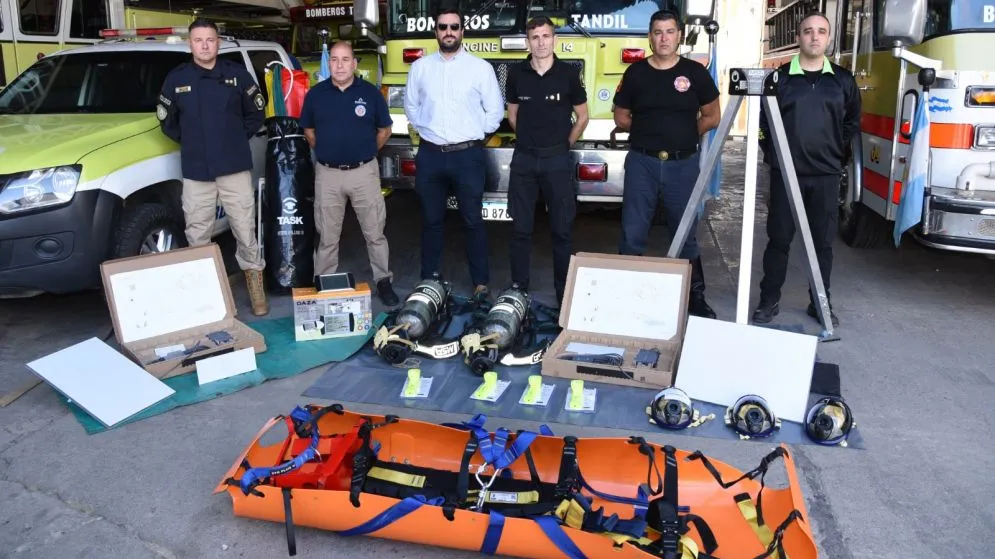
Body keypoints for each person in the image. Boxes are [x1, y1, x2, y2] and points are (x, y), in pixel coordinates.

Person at [753, 12, 860, 327]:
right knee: (778, 241)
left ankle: (820, 304)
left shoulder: (843, 80)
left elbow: (851, 123)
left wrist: (834, 155)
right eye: (808, 31)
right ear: (798, 37)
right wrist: (776, 157)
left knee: (822, 244)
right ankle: (768, 301)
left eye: (821, 31)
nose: (815, 37)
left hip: (825, 176)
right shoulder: (780, 79)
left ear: (829, 38)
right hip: (786, 176)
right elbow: (762, 125)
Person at [612, 10, 721, 319]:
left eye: (670, 32)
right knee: (632, 232)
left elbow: (712, 115)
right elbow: (621, 116)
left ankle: (695, 297)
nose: (664, 38)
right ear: (650, 37)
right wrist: (649, 133)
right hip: (642, 163)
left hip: (682, 165)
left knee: (684, 233)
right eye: (658, 32)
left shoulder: (695, 72)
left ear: (679, 36)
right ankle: (627, 297)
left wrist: (684, 135)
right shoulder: (635, 73)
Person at [157, 18, 269, 316]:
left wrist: (232, 139)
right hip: (197, 170)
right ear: (190, 44)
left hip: (233, 166)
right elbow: (168, 122)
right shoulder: (177, 78)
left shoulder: (237, 75)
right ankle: (204, 294)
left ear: (218, 43)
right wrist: (196, 143)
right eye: (198, 40)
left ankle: (255, 288)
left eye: (210, 40)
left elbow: (256, 114)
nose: (205, 46)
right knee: (197, 233)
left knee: (244, 228)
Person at [403, 7, 504, 298]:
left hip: (467, 157)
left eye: (454, 27)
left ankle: (480, 283)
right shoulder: (420, 68)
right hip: (431, 155)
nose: (449, 32)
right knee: (431, 220)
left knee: (472, 220)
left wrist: (474, 132)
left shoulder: (480, 68)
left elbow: (495, 111)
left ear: (462, 31)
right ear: (436, 31)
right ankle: (429, 280)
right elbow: (411, 107)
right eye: (443, 27)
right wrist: (427, 129)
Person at [299, 41, 399, 307]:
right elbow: (309, 131)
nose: (340, 65)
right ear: (329, 63)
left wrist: (366, 152)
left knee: (374, 231)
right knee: (327, 234)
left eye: (345, 59)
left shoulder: (370, 93)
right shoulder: (316, 95)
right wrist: (327, 151)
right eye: (334, 59)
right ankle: (323, 282)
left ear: (354, 64)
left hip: (363, 172)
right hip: (328, 174)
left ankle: (383, 280)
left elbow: (385, 130)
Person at [506, 16, 589, 307]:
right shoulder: (516, 74)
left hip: (557, 161)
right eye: (535, 37)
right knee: (520, 229)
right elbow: (512, 114)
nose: (541, 42)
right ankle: (518, 290)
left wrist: (565, 145)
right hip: (525, 160)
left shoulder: (568, 74)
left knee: (562, 230)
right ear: (527, 42)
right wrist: (529, 140)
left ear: (555, 39)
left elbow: (583, 116)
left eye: (545, 36)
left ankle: (563, 295)